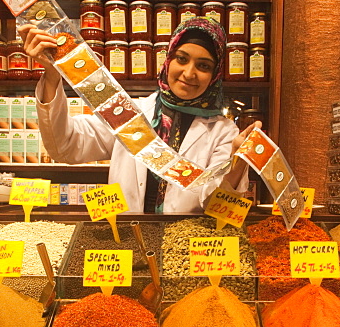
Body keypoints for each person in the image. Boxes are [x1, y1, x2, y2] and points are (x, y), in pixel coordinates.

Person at [19, 16, 256, 213]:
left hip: (185, 252)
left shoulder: (223, 132)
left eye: (203, 66)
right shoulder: (127, 112)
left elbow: (218, 206)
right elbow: (65, 146)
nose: (189, 73)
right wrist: (52, 75)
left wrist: (237, 162)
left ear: (215, 75)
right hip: (126, 241)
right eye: (181, 59)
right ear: (168, 59)